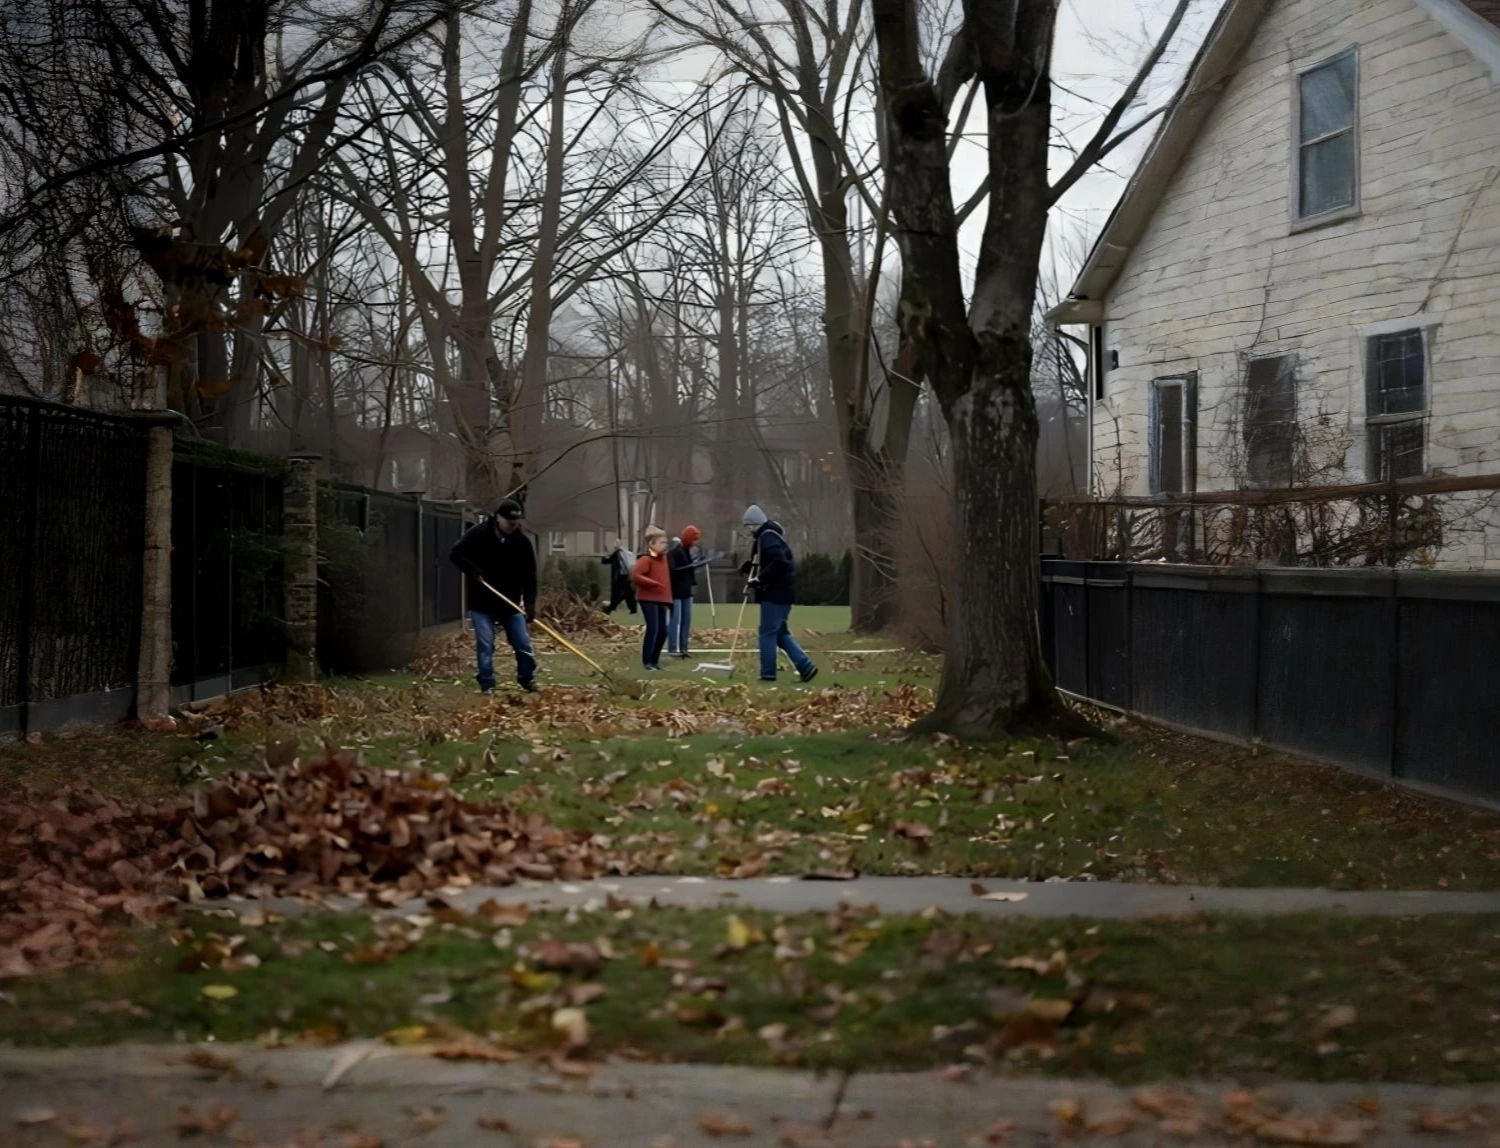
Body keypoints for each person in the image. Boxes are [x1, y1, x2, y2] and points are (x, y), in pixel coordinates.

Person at [448, 498, 538, 693]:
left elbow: (530, 576)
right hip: (483, 602)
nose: (513, 526)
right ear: (498, 518)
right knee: (485, 644)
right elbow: (455, 554)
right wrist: (472, 569)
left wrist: (530, 604)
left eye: (516, 522)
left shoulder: (522, 543)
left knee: (523, 643)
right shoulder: (478, 534)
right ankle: (487, 683)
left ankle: (527, 678)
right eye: (509, 522)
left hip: (511, 604)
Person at [739, 504, 818, 684]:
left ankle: (767, 673)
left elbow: (779, 562)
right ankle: (805, 666)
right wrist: (749, 567)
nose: (748, 530)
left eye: (748, 526)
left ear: (754, 524)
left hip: (775, 593)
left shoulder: (766, 538)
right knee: (780, 632)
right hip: (784, 593)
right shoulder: (772, 537)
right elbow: (769, 560)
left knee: (766, 632)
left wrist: (760, 579)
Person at [631, 526, 673, 671]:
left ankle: (655, 661)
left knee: (663, 630)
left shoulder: (664, 560)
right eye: (661, 542)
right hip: (648, 597)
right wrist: (652, 583)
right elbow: (636, 575)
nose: (665, 545)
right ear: (652, 545)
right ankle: (647, 662)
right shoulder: (646, 559)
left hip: (662, 599)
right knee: (653, 628)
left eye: (665, 542)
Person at [666, 525, 704, 658]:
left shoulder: (687, 551)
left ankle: (683, 648)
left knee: (686, 620)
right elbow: (673, 571)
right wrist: (688, 568)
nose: (694, 543)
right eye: (693, 540)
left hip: (686, 591)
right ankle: (673, 648)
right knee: (675, 621)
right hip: (676, 592)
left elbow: (688, 570)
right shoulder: (675, 552)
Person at [600, 538, 638, 615]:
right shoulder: (615, 555)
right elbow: (605, 561)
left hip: (626, 576)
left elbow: (631, 562)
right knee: (618, 594)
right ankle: (611, 608)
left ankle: (632, 609)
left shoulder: (625, 553)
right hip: (620, 577)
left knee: (628, 594)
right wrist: (605, 554)